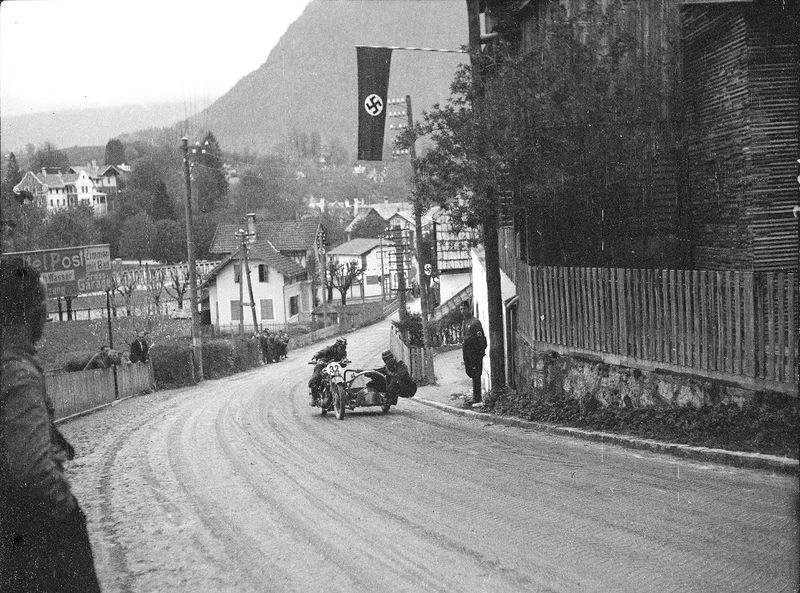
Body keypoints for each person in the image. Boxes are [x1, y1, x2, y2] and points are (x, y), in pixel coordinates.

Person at [0, 260, 102, 593]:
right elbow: (31, 469)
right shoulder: (18, 373)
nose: (47, 312)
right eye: (42, 302)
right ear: (30, 311)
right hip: (36, 537)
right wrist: (68, 513)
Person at [460, 300, 487, 404]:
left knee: (476, 375)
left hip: (475, 353)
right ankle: (475, 396)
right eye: (461, 309)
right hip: (467, 353)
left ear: (469, 309)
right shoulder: (464, 322)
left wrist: (480, 353)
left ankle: (477, 397)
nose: (462, 311)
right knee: (470, 373)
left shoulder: (475, 322)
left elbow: (481, 339)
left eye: (464, 309)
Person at [308, 336, 347, 406]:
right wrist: (315, 358)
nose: (343, 348)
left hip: (334, 368)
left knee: (342, 379)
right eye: (341, 347)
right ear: (337, 345)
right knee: (315, 379)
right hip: (323, 365)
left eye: (344, 347)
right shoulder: (329, 349)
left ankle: (341, 394)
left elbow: (344, 360)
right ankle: (314, 397)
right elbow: (320, 353)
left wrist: (345, 361)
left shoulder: (343, 352)